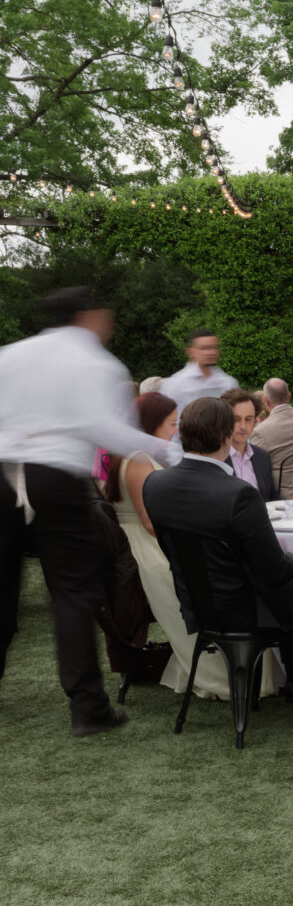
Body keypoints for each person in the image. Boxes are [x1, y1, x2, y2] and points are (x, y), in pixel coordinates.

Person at [0, 287, 170, 736]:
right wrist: (168, 451)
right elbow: (103, 428)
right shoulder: (97, 363)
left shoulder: (10, 355)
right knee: (72, 591)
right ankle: (88, 707)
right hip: (54, 475)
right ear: (89, 316)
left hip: (1, 469)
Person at [143, 397, 293, 718]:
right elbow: (276, 572)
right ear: (227, 436)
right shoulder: (236, 493)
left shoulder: (155, 484)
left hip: (201, 604)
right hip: (252, 607)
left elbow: (174, 550)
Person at [104, 392, 230, 700]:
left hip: (136, 544)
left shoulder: (133, 455)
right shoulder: (137, 460)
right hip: (145, 549)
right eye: (172, 423)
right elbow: (149, 521)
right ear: (152, 424)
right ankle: (215, 673)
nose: (176, 431)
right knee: (202, 582)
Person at [251, 378, 293, 498]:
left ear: (266, 401)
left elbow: (258, 469)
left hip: (283, 498)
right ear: (289, 396)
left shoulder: (261, 431)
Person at [161, 329, 237, 417]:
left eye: (213, 347)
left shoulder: (228, 383)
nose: (210, 352)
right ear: (191, 352)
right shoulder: (174, 385)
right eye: (204, 348)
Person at [221, 388, 278, 500]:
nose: (243, 426)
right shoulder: (215, 459)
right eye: (236, 419)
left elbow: (272, 498)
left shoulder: (262, 456)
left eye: (248, 419)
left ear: (255, 420)